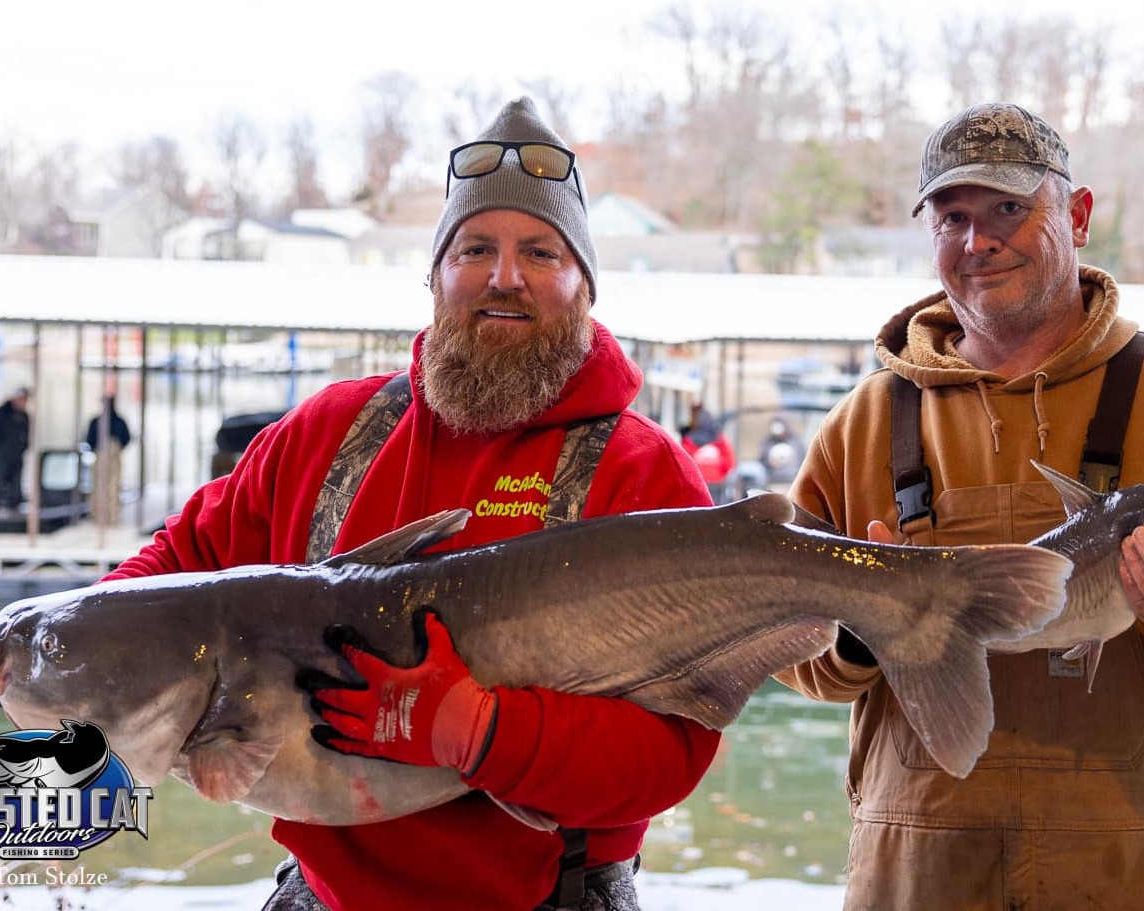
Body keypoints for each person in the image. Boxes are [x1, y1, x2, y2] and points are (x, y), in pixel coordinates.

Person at [102, 97, 719, 911]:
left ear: (583, 287)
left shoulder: (643, 474)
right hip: (322, 893)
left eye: (540, 250)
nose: (504, 276)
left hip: (553, 895)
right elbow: (175, 565)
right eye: (474, 249)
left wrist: (474, 728)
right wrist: (74, 648)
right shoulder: (326, 432)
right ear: (434, 277)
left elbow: (672, 752)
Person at [775, 102, 1144, 909]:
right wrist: (863, 624)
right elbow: (789, 647)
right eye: (951, 217)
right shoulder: (863, 421)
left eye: (1009, 210)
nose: (977, 241)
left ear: (1077, 215)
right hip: (918, 875)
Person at [83, 395, 132, 525]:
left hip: (111, 456)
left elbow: (126, 438)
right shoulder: (102, 421)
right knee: (103, 486)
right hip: (103, 455)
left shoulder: (112, 421)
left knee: (111, 486)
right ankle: (104, 516)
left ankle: (108, 517)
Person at [0, 386, 30, 511]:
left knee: (15, 488)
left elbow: (26, 436)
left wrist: (23, 447)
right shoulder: (0, 413)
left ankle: (14, 511)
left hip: (16, 457)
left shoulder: (24, 416)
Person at [679, 403, 734, 496]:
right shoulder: (719, 438)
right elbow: (730, 461)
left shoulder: (688, 440)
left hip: (697, 484)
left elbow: (683, 463)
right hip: (716, 484)